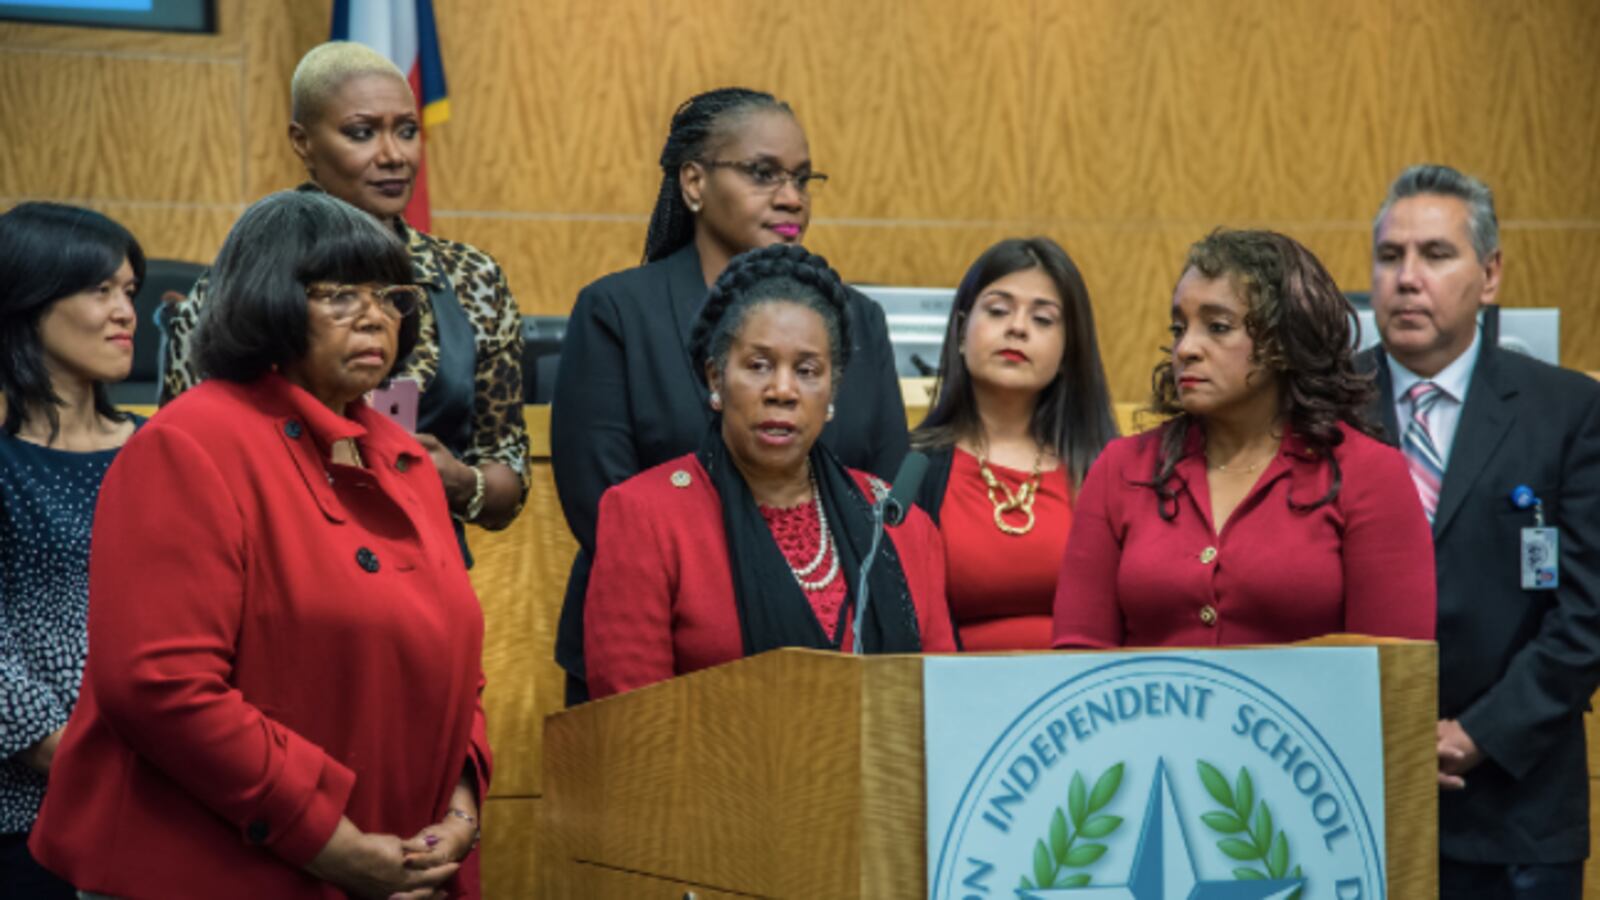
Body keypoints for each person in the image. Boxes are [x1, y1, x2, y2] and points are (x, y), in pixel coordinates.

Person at [29, 191, 491, 900]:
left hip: (401, 860)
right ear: (267, 299)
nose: (375, 315)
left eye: (391, 296)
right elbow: (161, 686)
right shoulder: (191, 444)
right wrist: (328, 843)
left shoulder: (406, 460)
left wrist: (459, 815)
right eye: (340, 295)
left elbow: (457, 669)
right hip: (219, 868)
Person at [553, 87, 909, 703]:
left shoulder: (856, 320)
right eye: (763, 174)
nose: (791, 197)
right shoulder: (618, 311)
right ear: (694, 182)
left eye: (802, 178)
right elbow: (601, 503)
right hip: (661, 653)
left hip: (837, 651)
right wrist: (739, 604)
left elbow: (886, 488)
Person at [160, 41, 529, 556]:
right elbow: (182, 468)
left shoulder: (473, 278)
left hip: (426, 569)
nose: (393, 155)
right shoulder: (234, 287)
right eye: (361, 133)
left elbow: (509, 470)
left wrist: (462, 482)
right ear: (303, 142)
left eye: (407, 131)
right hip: (282, 570)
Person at [1362, 164, 1600, 900]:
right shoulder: (1320, 409)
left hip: (1517, 809)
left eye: (1435, 254)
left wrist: (1479, 734)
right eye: (1390, 256)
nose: (1407, 278)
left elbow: (1588, 612)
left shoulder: (1567, 412)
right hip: (1356, 788)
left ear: (1489, 275)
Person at [583, 245, 954, 699]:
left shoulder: (897, 527)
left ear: (832, 391)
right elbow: (632, 719)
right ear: (716, 378)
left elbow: (942, 706)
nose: (782, 390)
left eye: (807, 371)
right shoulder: (646, 517)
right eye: (758, 366)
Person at [1053, 228, 1436, 649]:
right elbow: (1077, 660)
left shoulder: (1370, 474)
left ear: (1284, 343)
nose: (1186, 349)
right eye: (1179, 328)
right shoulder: (1121, 469)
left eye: (1217, 327)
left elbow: (1392, 673)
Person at [0, 202, 144, 900]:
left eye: (129, 291)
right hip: (32, 815)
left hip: (176, 799)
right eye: (98, 289)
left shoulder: (164, 448)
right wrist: (79, 759)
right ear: (28, 302)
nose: (125, 313)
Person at [910, 237, 1117, 650]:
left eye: (1042, 319)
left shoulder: (1109, 469)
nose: (1018, 328)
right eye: (998, 310)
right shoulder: (911, 470)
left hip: (1086, 688)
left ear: (1068, 351)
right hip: (947, 687)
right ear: (961, 332)